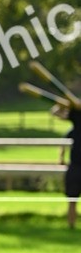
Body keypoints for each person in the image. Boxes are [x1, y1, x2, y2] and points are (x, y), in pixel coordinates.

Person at [53, 98, 81, 230]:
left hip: (75, 166)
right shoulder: (77, 116)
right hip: (75, 165)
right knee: (72, 199)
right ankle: (71, 226)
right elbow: (55, 112)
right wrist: (63, 103)